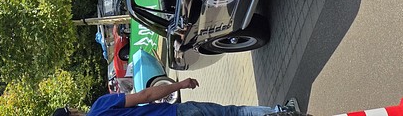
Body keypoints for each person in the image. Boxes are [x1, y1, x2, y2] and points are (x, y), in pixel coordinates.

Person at [52, 77, 305, 115]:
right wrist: (180, 84)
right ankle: (281, 112)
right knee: (233, 113)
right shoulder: (100, 107)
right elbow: (147, 94)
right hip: (176, 113)